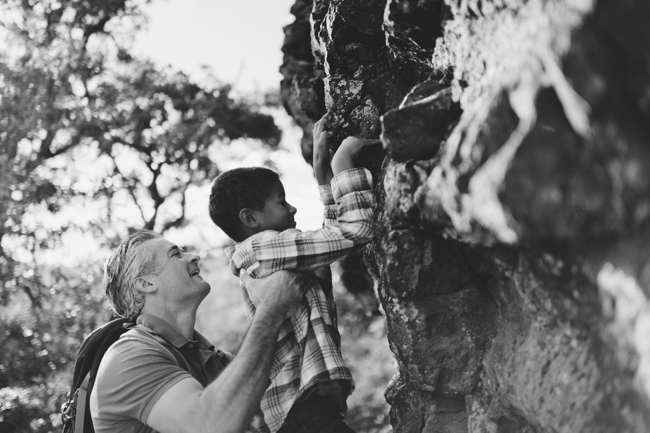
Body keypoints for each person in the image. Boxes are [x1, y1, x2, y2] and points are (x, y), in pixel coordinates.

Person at [208, 116, 377, 433]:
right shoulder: (264, 248)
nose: (292, 210)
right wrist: (344, 165)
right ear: (251, 218)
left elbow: (330, 242)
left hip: (305, 414)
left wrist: (324, 179)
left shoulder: (267, 254)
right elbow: (357, 231)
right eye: (280, 201)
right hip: (304, 415)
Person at [90, 229, 311, 433]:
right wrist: (271, 308)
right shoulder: (130, 357)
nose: (193, 257)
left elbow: (289, 389)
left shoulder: (213, 359)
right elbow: (210, 425)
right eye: (175, 254)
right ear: (146, 284)